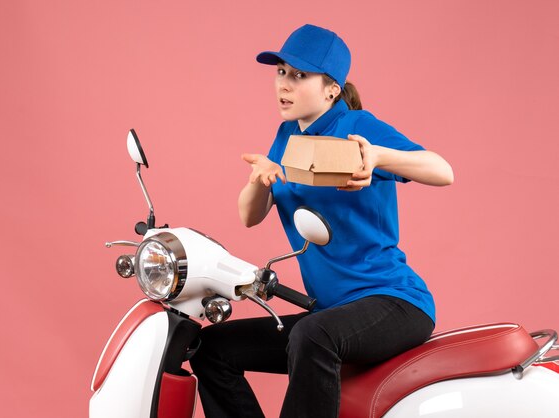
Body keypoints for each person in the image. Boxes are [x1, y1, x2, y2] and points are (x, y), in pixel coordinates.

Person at [189, 24, 454, 418]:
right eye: (281, 72)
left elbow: (442, 170)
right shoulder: (286, 135)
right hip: (330, 311)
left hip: (394, 303)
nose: (284, 84)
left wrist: (379, 157)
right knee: (212, 348)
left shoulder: (357, 128)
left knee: (312, 335)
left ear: (331, 88)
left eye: (299, 76)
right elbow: (249, 216)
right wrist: (259, 180)